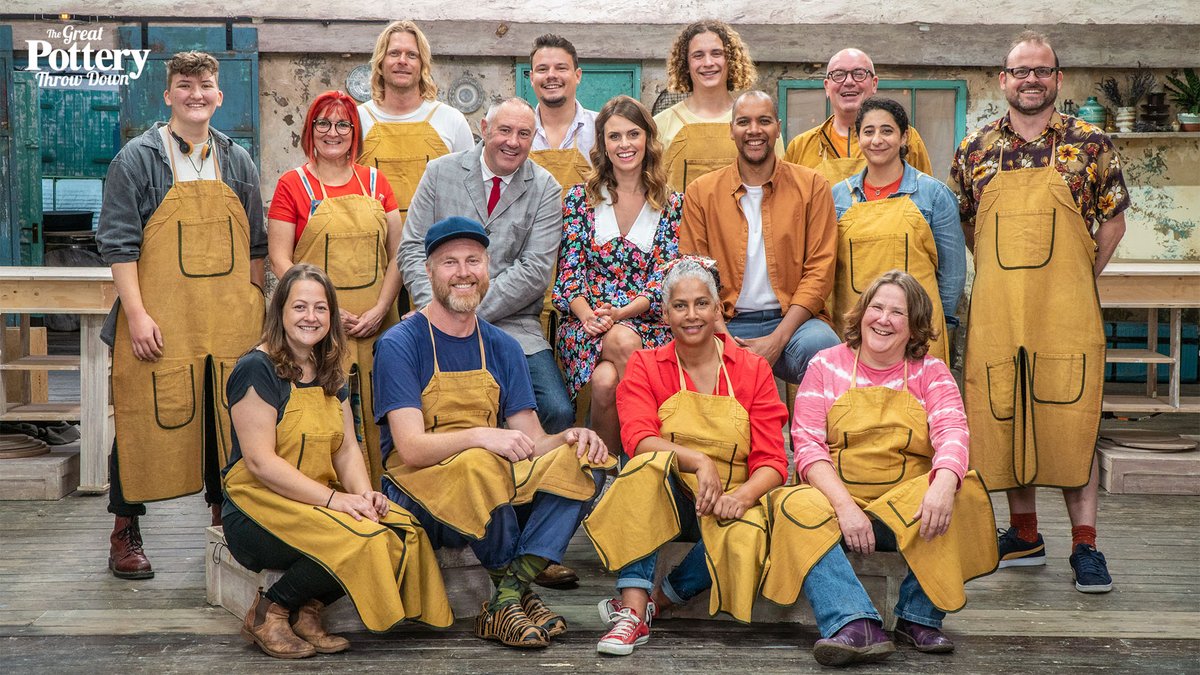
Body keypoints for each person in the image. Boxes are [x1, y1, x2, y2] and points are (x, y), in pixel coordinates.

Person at [377, 217, 613, 649]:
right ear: (429, 272)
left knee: (588, 461)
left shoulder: (503, 345)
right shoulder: (401, 342)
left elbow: (530, 439)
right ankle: (517, 594)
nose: (463, 272)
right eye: (449, 262)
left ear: (488, 269)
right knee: (482, 460)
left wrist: (569, 440)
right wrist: (481, 436)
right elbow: (409, 449)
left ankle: (508, 594)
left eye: (473, 260)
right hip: (416, 491)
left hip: (487, 487)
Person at [951, 31, 1128, 592]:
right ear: (1003, 80)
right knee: (1006, 412)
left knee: (1069, 417)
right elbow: (964, 224)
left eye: (1041, 71)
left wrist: (1074, 280)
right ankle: (1024, 534)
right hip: (1000, 313)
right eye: (1020, 70)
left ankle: (1086, 546)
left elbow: (1114, 222)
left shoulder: (1089, 143)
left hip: (1065, 312)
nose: (1031, 79)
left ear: (1058, 79)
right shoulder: (974, 148)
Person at [764, 270, 996, 667]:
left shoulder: (931, 372)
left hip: (907, 512)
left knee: (964, 489)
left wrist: (942, 485)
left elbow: (953, 432)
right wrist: (845, 507)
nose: (883, 319)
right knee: (789, 506)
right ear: (862, 313)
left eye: (897, 312)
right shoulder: (825, 365)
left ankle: (918, 617)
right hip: (840, 503)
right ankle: (854, 622)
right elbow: (806, 445)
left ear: (915, 326)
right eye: (876, 307)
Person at [222, 264, 451, 659]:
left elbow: (345, 448)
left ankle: (309, 612)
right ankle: (269, 611)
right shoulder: (255, 369)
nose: (311, 317)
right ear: (279, 312)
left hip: (312, 499)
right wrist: (336, 502)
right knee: (362, 541)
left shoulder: (329, 368)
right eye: (299, 307)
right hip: (257, 507)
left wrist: (364, 496)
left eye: (321, 308)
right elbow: (260, 464)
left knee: (399, 529)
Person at [96, 51, 265, 580]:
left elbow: (256, 247)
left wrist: (254, 310)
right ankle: (125, 528)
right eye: (185, 85)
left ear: (219, 96)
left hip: (227, 320)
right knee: (145, 415)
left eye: (206, 85)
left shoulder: (237, 160)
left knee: (224, 415)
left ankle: (225, 520)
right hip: (159, 321)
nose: (197, 94)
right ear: (167, 95)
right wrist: (139, 315)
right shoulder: (137, 159)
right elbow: (119, 244)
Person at [584, 256, 789, 656]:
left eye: (701, 304)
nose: (691, 315)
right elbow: (638, 439)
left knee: (749, 526)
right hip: (669, 502)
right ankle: (631, 615)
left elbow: (772, 462)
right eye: (680, 306)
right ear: (665, 314)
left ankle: (656, 603)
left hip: (727, 502)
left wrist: (740, 498)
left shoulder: (752, 370)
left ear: (718, 310)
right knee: (643, 468)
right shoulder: (645, 365)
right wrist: (700, 461)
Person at [399, 98, 575, 435]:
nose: (513, 141)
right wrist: (433, 312)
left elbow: (535, 271)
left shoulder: (545, 189)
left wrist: (465, 315)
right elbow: (411, 248)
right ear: (484, 129)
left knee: (555, 410)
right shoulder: (440, 173)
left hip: (513, 325)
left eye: (524, 134)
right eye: (504, 130)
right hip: (434, 318)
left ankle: (522, 483)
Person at [266, 90, 403, 487]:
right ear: (310, 130)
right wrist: (325, 310)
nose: (333, 132)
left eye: (343, 123)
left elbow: (400, 253)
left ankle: (390, 498)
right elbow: (280, 259)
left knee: (384, 408)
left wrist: (380, 307)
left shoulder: (377, 181)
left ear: (355, 131)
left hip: (378, 323)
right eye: (322, 123)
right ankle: (335, 500)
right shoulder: (293, 185)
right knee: (328, 411)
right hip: (318, 327)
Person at [553, 95, 682, 464]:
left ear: (648, 140)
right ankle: (650, 459)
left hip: (647, 320)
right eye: (614, 137)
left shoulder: (671, 204)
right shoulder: (581, 198)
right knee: (623, 343)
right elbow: (569, 275)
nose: (624, 144)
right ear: (603, 145)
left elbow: (664, 280)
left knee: (607, 381)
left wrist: (622, 313)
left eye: (633, 134)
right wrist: (590, 317)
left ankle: (607, 471)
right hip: (586, 325)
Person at [680, 90, 840, 386]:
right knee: (695, 360)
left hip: (792, 321)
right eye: (744, 122)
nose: (754, 130)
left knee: (825, 351)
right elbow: (694, 274)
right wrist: (725, 340)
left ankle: (812, 434)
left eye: (764, 121)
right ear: (732, 130)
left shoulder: (812, 186)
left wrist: (777, 340)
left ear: (778, 128)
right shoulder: (702, 192)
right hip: (725, 321)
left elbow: (820, 271)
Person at [829, 97, 966, 363]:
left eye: (887, 130)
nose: (877, 139)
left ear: (904, 137)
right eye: (868, 132)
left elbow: (952, 274)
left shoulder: (934, 195)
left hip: (917, 337)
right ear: (858, 138)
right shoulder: (839, 197)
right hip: (855, 336)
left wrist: (931, 324)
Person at [358, 20, 474, 217]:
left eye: (412, 55)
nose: (402, 61)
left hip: (434, 245)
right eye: (394, 53)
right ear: (380, 61)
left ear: (422, 65)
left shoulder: (451, 120)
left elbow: (471, 192)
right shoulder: (358, 119)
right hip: (370, 243)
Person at [654, 20, 783, 192]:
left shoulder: (760, 125)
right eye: (698, 55)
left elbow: (780, 183)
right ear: (685, 64)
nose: (708, 62)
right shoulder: (661, 125)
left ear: (731, 60)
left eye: (716, 53)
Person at [784, 48, 933, 184]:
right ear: (827, 87)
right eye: (839, 75)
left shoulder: (905, 138)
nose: (849, 82)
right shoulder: (802, 146)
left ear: (874, 84)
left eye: (859, 74)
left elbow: (926, 196)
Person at [528, 33, 598, 192]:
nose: (551, 75)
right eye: (542, 69)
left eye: (561, 68)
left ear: (577, 75)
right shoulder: (517, 133)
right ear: (532, 78)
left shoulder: (602, 128)